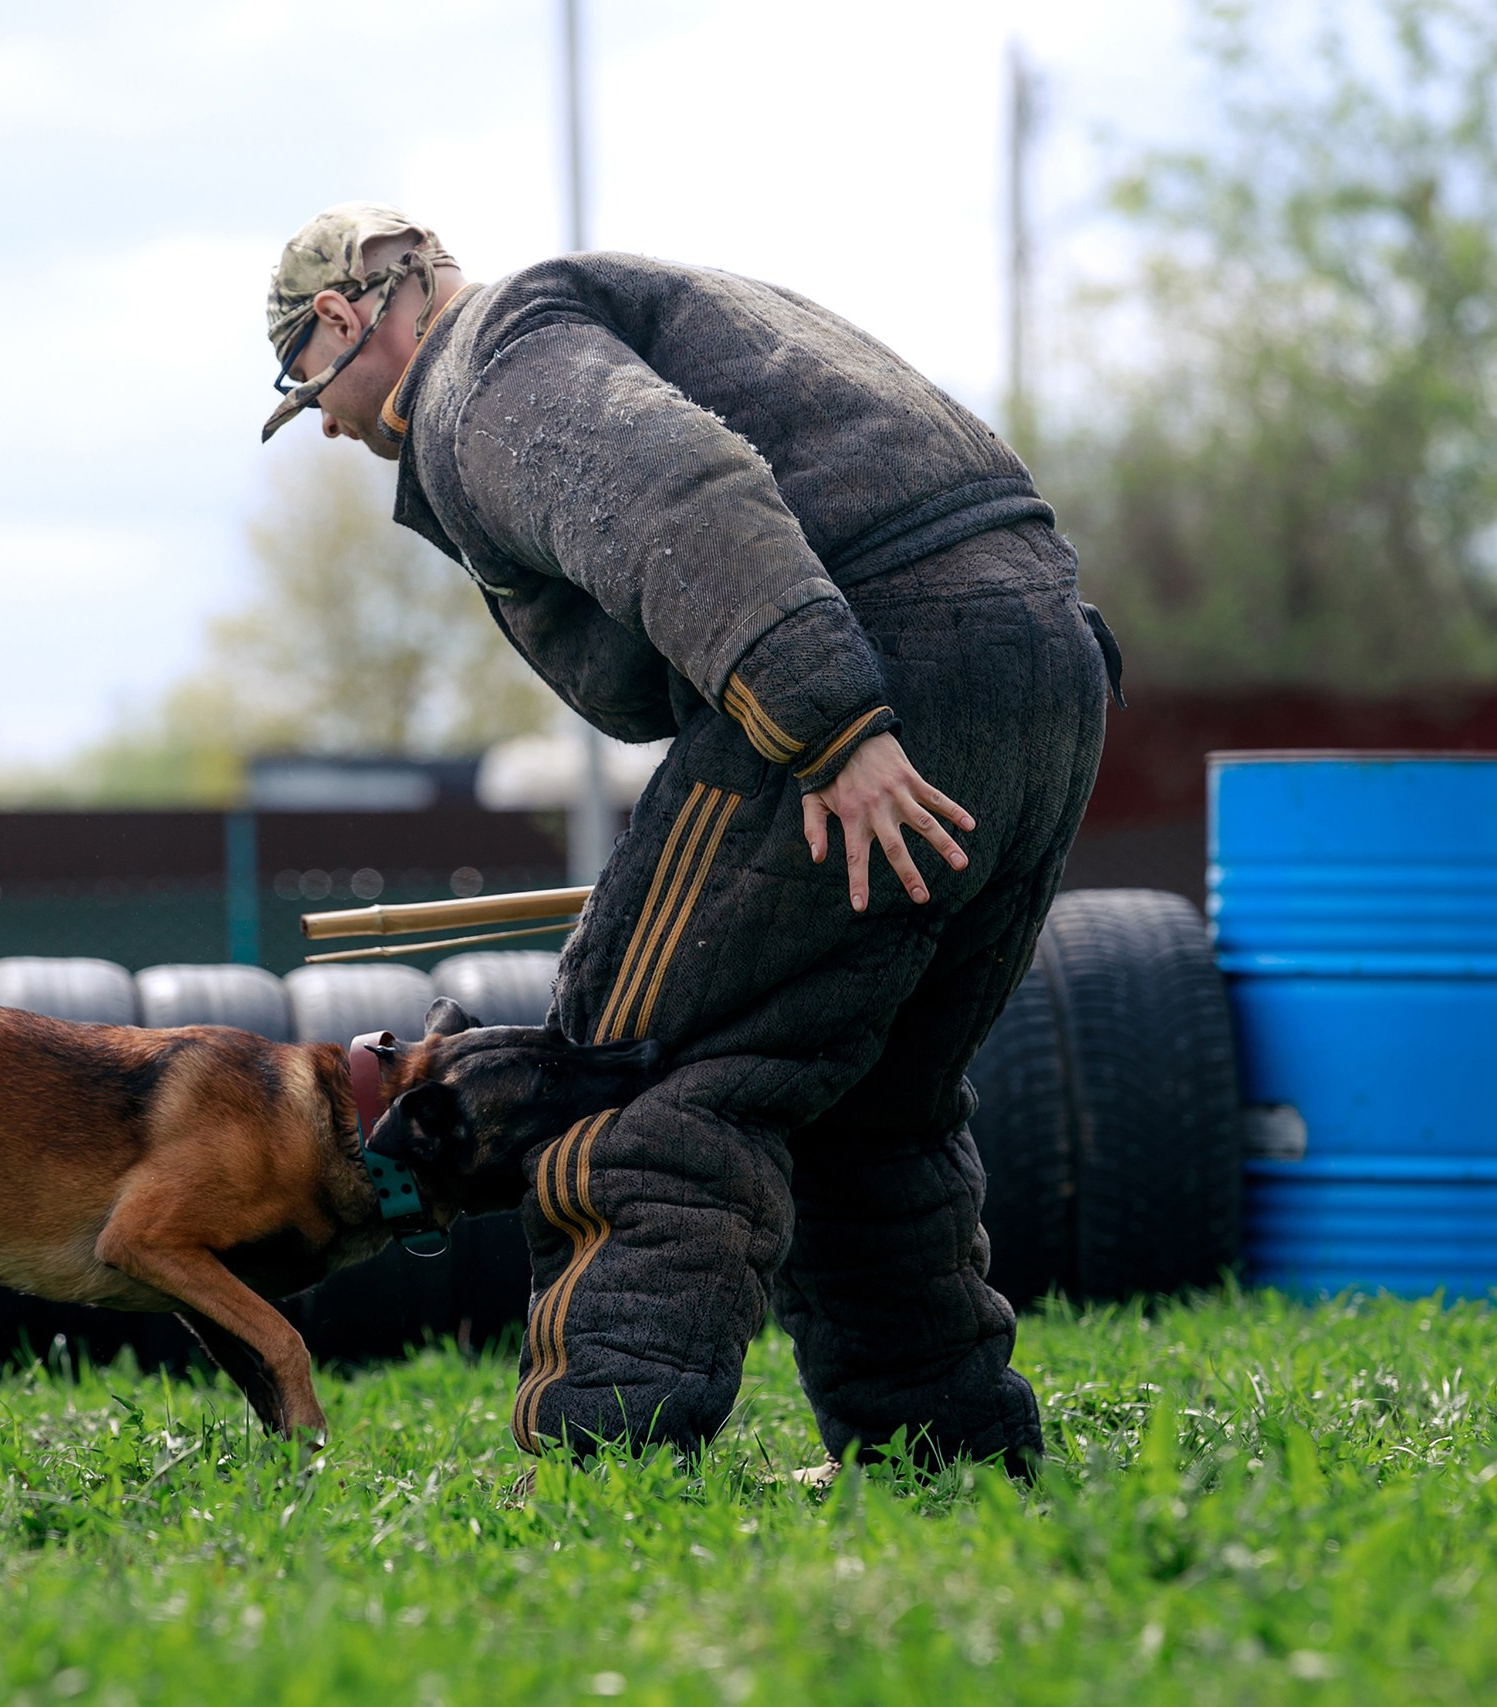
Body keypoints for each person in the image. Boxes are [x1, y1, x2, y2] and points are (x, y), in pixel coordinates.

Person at [261, 204, 1120, 1473]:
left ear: (342, 320)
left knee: (634, 1066)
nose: (326, 428)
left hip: (869, 673)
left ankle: (608, 1449)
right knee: (871, 1103)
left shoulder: (488, 364)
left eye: (307, 391)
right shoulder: (631, 302)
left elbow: (678, 489)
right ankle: (945, 1452)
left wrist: (832, 726)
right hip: (1043, 668)